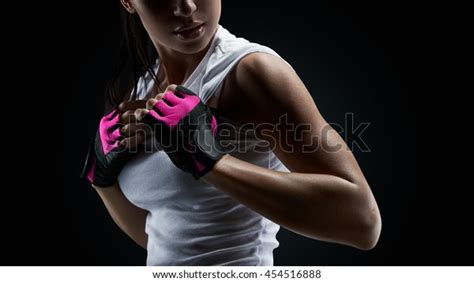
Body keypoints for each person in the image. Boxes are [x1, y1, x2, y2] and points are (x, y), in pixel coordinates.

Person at [82, 0, 382, 266]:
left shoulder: (250, 72)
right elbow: (165, 239)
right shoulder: (144, 88)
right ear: (128, 2)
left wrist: (211, 161)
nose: (186, 7)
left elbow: (363, 222)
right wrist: (103, 180)